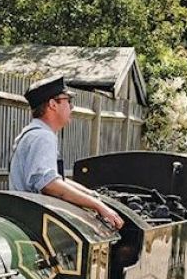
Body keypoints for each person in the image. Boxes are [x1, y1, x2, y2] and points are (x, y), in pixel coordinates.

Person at [9, 75, 124, 229]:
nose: (72, 107)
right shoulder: (43, 137)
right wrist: (99, 206)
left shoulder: (33, 133)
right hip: (35, 223)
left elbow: (55, 178)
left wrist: (90, 195)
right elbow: (49, 184)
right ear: (52, 104)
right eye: (68, 101)